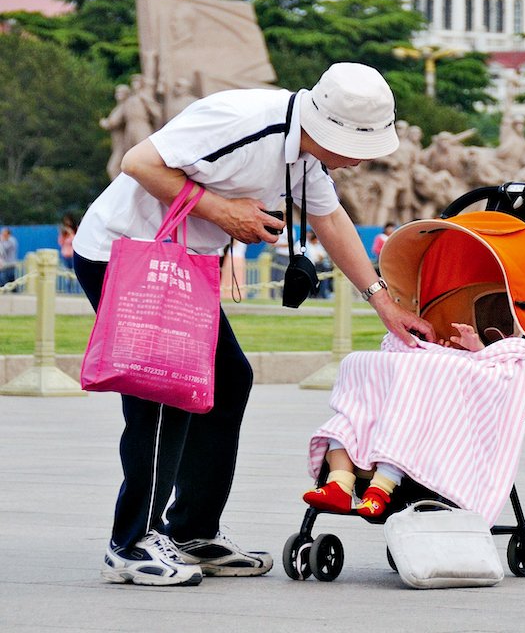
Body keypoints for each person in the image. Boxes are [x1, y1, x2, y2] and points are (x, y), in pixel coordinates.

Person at [72, 62, 435, 587]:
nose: (361, 162)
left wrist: (384, 302)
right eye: (361, 149)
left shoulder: (306, 156)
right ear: (331, 129)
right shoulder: (242, 120)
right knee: (163, 391)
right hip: (124, 254)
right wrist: (222, 211)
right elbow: (137, 161)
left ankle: (192, 532)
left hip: (180, 267)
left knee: (227, 380)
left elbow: (330, 221)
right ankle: (130, 545)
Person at [302, 320, 525, 526]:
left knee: (401, 428)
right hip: (387, 407)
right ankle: (339, 484)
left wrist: (477, 350)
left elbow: (490, 364)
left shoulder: (485, 362)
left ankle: (379, 490)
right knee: (347, 420)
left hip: (423, 412)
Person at [303, 322, 487, 518]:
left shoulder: (455, 368)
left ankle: (379, 492)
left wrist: (473, 350)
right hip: (380, 413)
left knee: (399, 434)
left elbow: (489, 369)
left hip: (415, 425)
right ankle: (339, 484)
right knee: (343, 424)